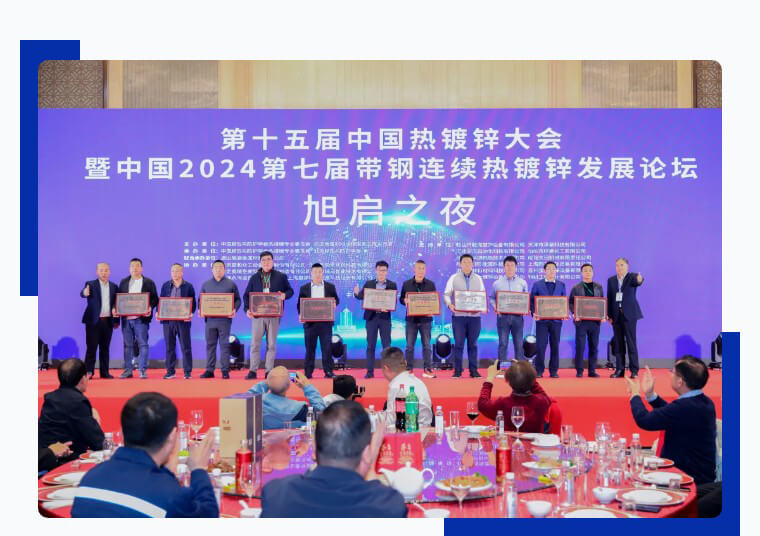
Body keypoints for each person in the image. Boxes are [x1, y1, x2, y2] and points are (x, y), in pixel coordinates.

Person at [71, 392, 218, 517]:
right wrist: (198, 469)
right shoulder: (169, 495)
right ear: (173, 436)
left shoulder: (90, 478)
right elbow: (209, 516)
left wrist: (167, 472)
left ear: (123, 432)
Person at [261, 400, 406, 518]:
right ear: (367, 454)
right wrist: (371, 466)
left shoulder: (278, 495)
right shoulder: (387, 505)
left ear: (314, 447)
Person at [625, 357, 717, 485]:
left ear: (680, 381)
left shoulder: (684, 407)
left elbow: (644, 420)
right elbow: (673, 414)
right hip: (700, 472)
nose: (670, 375)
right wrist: (650, 395)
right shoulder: (704, 401)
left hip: (687, 478)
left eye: (672, 372)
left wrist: (635, 394)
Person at [38, 358, 104, 461]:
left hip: (46, 455)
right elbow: (97, 442)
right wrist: (95, 421)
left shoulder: (50, 398)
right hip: (67, 458)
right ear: (82, 379)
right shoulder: (78, 402)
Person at [243, 251, 294, 379]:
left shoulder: (280, 276)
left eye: (268, 259)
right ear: (260, 262)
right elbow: (246, 295)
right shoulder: (254, 277)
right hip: (258, 315)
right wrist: (247, 309)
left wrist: (284, 295)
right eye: (263, 260)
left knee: (271, 344)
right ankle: (253, 370)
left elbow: (290, 291)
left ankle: (269, 370)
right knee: (255, 343)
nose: (266, 262)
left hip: (274, 315)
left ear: (273, 261)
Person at [477, 360, 551, 433]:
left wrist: (489, 378)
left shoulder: (503, 403)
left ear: (509, 382)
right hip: (535, 440)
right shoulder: (542, 401)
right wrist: (525, 373)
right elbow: (541, 393)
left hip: (510, 440)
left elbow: (482, 404)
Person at [354, 260, 397, 379]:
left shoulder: (392, 285)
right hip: (371, 318)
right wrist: (356, 293)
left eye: (384, 270)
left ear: (387, 271)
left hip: (385, 319)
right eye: (379, 270)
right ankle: (369, 371)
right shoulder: (369, 284)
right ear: (376, 270)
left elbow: (393, 301)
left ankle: (389, 371)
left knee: (387, 346)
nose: (381, 272)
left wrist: (389, 306)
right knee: (370, 346)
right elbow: (361, 296)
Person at [444, 254, 485, 378]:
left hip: (474, 317)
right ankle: (457, 371)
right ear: (460, 264)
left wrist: (481, 307)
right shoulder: (453, 278)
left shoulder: (478, 278)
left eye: (469, 262)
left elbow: (482, 295)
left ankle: (474, 371)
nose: (467, 264)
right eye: (464, 262)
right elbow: (446, 294)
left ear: (472, 264)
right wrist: (449, 305)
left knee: (473, 344)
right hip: (459, 317)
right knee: (459, 344)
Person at [117, 258, 159, 379]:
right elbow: (119, 299)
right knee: (127, 345)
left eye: (137, 266)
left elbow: (155, 298)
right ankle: (128, 370)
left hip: (141, 319)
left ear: (141, 268)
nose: (135, 268)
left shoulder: (148, 282)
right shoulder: (124, 282)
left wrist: (150, 307)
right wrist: (116, 309)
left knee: (143, 344)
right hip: (126, 319)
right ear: (129, 268)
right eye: (132, 266)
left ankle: (142, 370)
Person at [199, 260, 241, 379]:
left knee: (224, 346)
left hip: (224, 321)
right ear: (212, 270)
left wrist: (234, 309)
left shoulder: (231, 284)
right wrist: (200, 309)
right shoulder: (206, 284)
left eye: (221, 267)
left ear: (224, 269)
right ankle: (209, 370)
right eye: (216, 267)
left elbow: (238, 300)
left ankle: (225, 370)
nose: (218, 269)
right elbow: (200, 300)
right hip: (210, 320)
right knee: (210, 345)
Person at [247, 366, 326, 429]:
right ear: (288, 386)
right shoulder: (300, 408)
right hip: (294, 442)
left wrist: (269, 381)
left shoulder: (256, 403)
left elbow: (248, 396)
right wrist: (307, 385)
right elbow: (322, 413)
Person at [297, 263, 340, 379]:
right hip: (310, 324)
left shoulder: (330, 287)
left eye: (320, 272)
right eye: (315, 272)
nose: (317, 274)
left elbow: (336, 299)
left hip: (326, 323)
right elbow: (299, 304)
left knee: (327, 348)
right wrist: (300, 314)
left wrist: (335, 303)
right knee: (310, 349)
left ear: (323, 273)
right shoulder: (304, 288)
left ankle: (328, 371)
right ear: (311, 273)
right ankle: (308, 372)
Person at [80, 262, 119, 379]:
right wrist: (84, 292)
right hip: (93, 321)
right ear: (97, 272)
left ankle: (105, 372)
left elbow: (116, 304)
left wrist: (116, 321)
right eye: (101, 270)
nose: (104, 272)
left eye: (106, 270)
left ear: (109, 272)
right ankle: (89, 371)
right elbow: (83, 293)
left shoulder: (114, 286)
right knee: (91, 348)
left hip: (107, 321)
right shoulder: (90, 284)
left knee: (105, 348)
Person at [608, 257, 644, 378]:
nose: (619, 267)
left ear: (627, 266)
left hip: (629, 315)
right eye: (617, 265)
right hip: (616, 316)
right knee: (618, 343)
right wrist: (609, 315)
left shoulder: (632, 277)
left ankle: (634, 371)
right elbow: (610, 298)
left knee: (631, 343)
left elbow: (638, 281)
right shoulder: (611, 280)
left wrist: (640, 279)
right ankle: (620, 370)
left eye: (622, 265)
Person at [399, 260, 437, 377]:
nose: (421, 271)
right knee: (409, 346)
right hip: (411, 320)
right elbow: (401, 299)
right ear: (414, 269)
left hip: (426, 320)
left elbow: (434, 300)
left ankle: (427, 369)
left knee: (427, 346)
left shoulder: (431, 284)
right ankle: (409, 369)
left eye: (423, 268)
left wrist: (433, 309)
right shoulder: (406, 284)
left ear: (425, 270)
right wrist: (404, 301)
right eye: (418, 268)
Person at [529, 261, 567, 378]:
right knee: (541, 346)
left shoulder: (561, 285)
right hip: (542, 321)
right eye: (549, 269)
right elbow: (532, 301)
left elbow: (563, 301)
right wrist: (534, 312)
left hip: (556, 321)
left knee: (555, 346)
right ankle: (539, 370)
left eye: (553, 269)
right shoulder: (537, 284)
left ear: (556, 271)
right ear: (544, 271)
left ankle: (553, 371)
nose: (551, 271)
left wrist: (564, 313)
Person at [159, 263, 196, 379]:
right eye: (173, 271)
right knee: (169, 347)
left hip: (183, 321)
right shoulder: (165, 285)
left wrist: (190, 312)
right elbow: (161, 301)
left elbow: (193, 303)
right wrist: (158, 311)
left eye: (177, 271)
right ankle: (170, 371)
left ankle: (187, 372)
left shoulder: (188, 286)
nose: (175, 273)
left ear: (182, 272)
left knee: (186, 347)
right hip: (168, 321)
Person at [380, 346, 433, 427]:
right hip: (425, 428)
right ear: (405, 363)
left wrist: (370, 416)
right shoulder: (418, 382)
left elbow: (391, 420)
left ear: (385, 368)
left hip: (411, 431)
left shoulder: (396, 386)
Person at [490, 255, 529, 364]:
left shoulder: (522, 282)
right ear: (504, 267)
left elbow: (526, 298)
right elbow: (491, 298)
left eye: (512, 265)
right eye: (507, 265)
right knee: (503, 343)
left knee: (519, 343)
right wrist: (495, 307)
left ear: (516, 267)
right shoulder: (497, 283)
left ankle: (520, 367)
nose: (510, 268)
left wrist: (525, 308)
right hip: (503, 317)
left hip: (518, 318)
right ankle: (502, 366)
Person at [568, 263, 604, 378]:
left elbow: (602, 303)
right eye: (585, 271)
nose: (587, 272)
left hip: (595, 322)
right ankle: (579, 370)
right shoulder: (576, 287)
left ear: (593, 273)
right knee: (580, 346)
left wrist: (603, 315)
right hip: (581, 322)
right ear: (582, 273)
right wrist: (574, 313)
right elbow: (570, 302)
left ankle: (592, 370)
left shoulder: (599, 287)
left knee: (594, 346)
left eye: (589, 270)